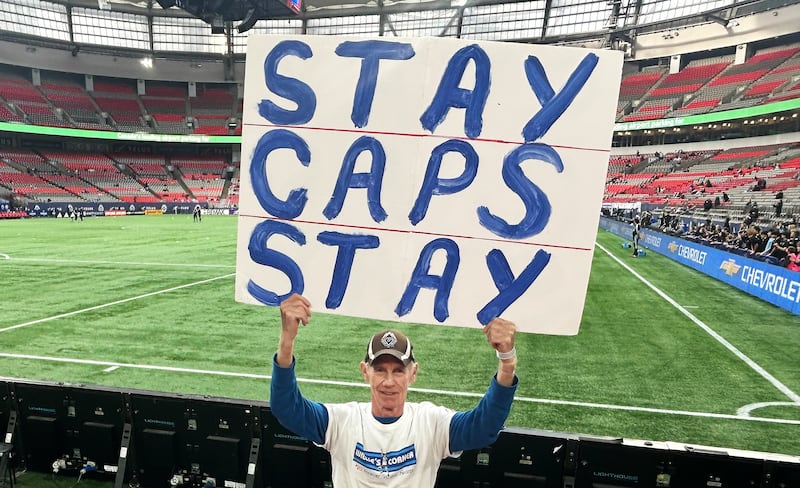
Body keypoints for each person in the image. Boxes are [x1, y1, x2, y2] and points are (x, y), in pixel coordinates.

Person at [270, 293, 518, 486]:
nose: (389, 381)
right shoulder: (341, 421)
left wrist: (507, 363)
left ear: (413, 373)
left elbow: (484, 427)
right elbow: (287, 409)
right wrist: (286, 341)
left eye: (398, 371)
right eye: (380, 370)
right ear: (365, 372)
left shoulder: (431, 423)